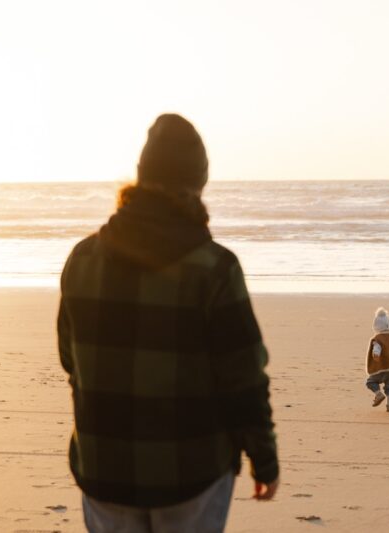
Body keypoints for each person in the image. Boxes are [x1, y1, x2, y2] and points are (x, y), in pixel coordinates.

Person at [57, 114, 279, 532]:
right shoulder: (215, 269)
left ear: (141, 176)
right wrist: (264, 459)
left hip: (104, 467)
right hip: (190, 472)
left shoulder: (83, 260)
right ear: (198, 183)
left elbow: (72, 362)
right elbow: (244, 379)